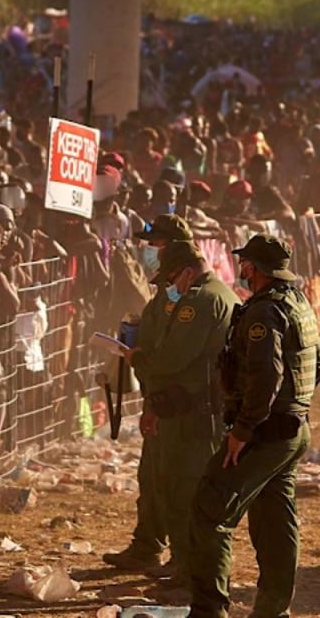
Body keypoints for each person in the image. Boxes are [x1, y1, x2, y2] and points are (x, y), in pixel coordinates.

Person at [187, 234, 320, 618]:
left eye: (246, 264)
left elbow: (267, 376)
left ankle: (208, 610)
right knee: (275, 519)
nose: (242, 270)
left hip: (263, 433)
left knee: (210, 512)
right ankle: (272, 610)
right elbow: (317, 367)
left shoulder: (264, 312)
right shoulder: (299, 304)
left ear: (255, 269)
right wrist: (293, 408)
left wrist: (243, 431)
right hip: (292, 428)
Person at [123, 241, 239, 600]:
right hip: (199, 410)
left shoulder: (200, 302)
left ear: (187, 271)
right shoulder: (223, 294)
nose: (171, 286)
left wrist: (138, 358)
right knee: (184, 491)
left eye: (172, 277)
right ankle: (186, 566)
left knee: (183, 492)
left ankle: (192, 571)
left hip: (194, 417)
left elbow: (173, 359)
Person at [103, 214, 196, 574]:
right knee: (150, 476)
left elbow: (174, 350)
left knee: (172, 482)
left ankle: (181, 558)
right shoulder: (164, 290)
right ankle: (147, 545)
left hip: (177, 400)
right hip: (157, 392)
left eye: (156, 245)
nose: (150, 252)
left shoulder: (187, 292)